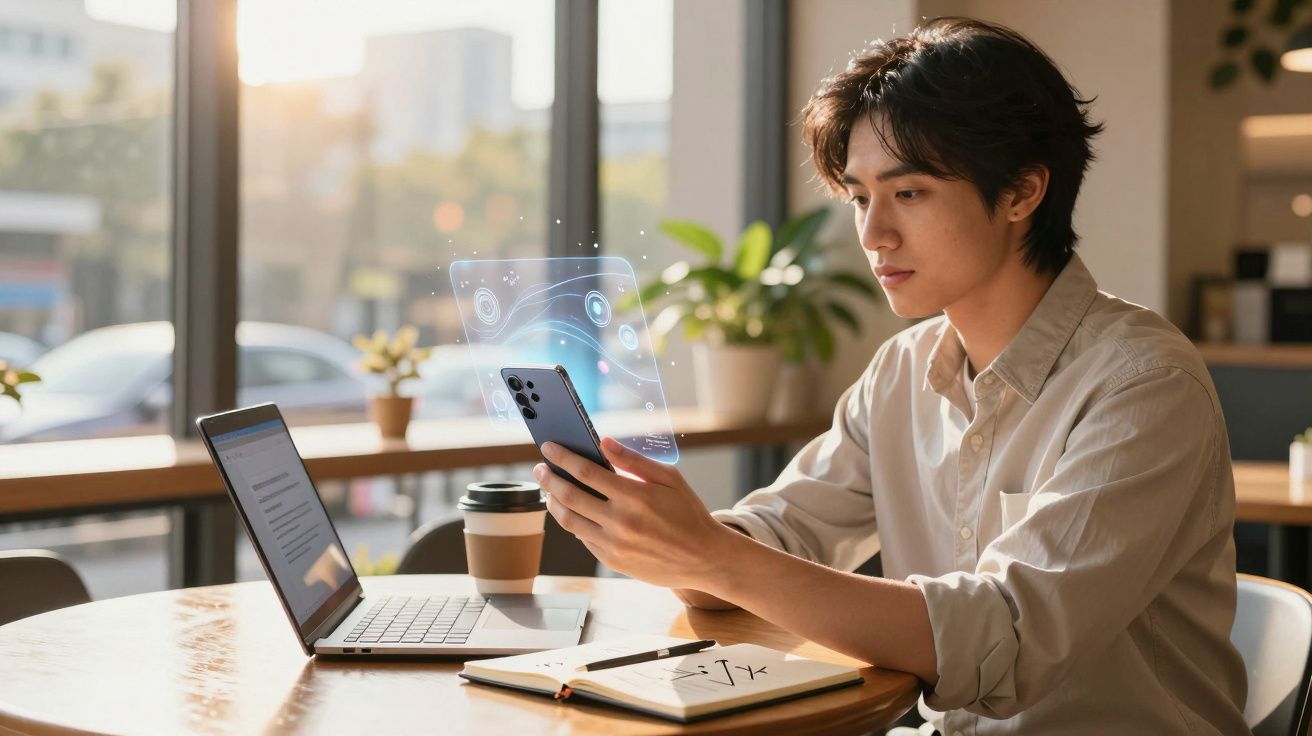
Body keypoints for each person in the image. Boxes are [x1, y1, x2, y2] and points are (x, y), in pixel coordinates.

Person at [532, 16, 1249, 734]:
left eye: (908, 194)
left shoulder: (1143, 384)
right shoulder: (902, 372)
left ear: (1022, 193)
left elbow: (1008, 641)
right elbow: (779, 536)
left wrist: (714, 555)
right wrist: (661, 536)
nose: (874, 235)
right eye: (857, 197)